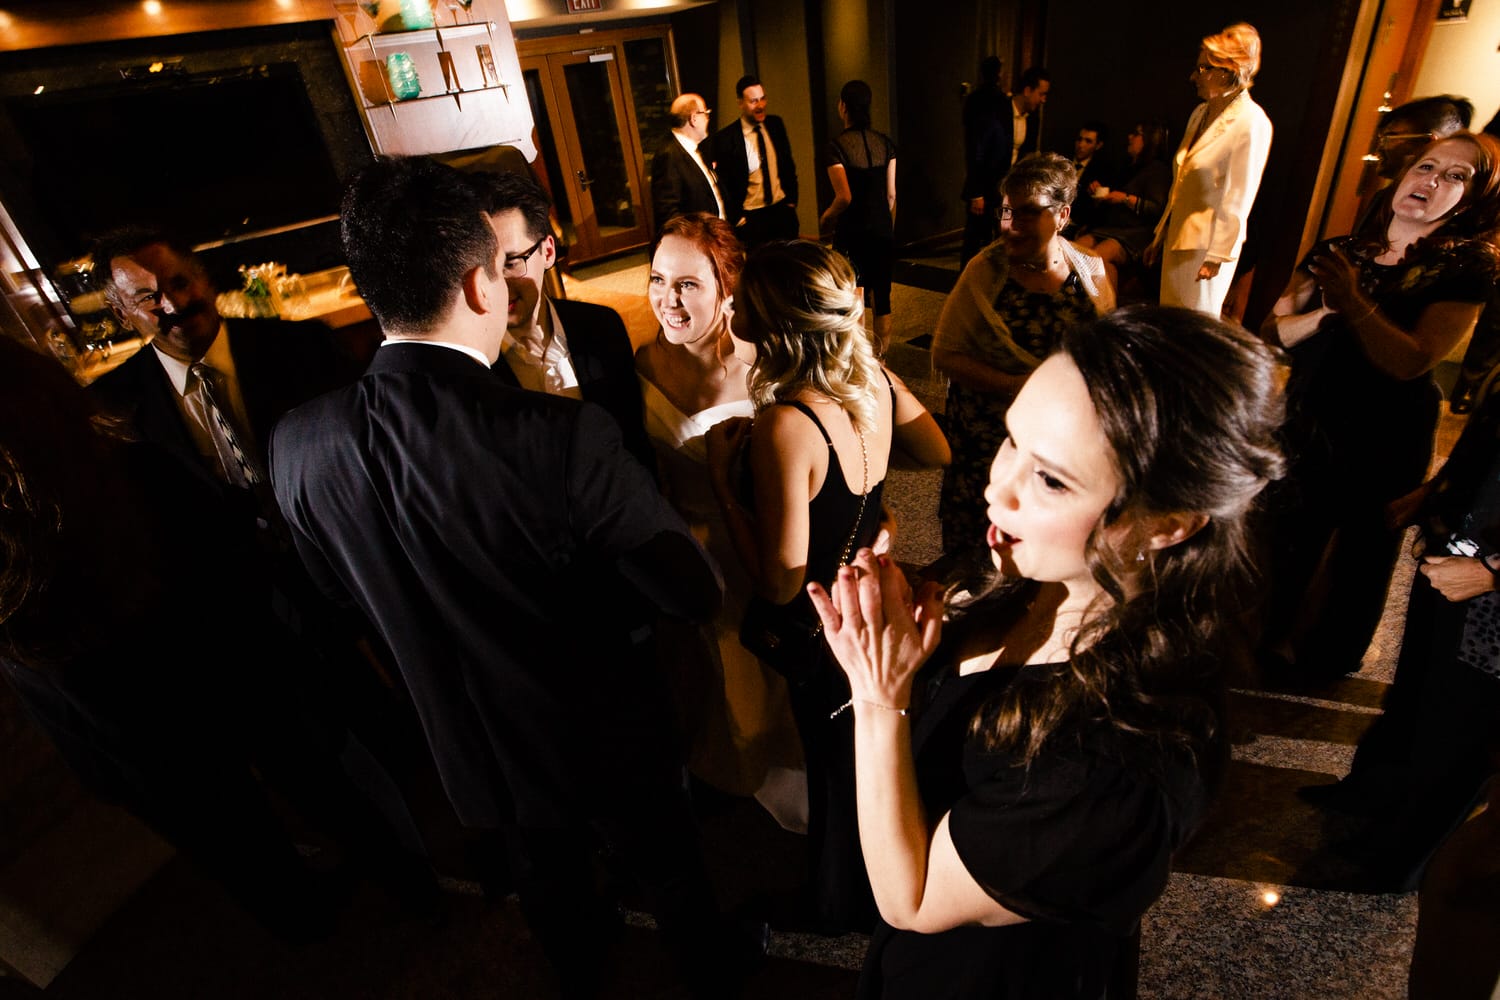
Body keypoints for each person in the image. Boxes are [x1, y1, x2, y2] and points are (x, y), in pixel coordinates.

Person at [270, 154, 754, 999]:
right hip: (606, 729)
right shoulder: (555, 437)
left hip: (470, 749)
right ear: (478, 282)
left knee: (554, 902)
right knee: (672, 881)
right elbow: (691, 591)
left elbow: (339, 594)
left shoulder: (299, 444)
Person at [807, 305, 1286, 999]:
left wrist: (880, 698)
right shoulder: (1029, 571)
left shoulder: (1124, 756)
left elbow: (909, 899)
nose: (997, 488)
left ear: (1167, 525)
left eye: (1053, 480)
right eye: (1010, 441)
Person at [0, 334, 433, 944]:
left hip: (139, 736)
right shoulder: (132, 473)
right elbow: (234, 564)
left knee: (236, 842)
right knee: (328, 789)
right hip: (237, 676)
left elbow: (39, 677)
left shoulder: (15, 557)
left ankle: (303, 918)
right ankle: (408, 884)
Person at [705, 239, 950, 933]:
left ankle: (839, 902)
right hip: (871, 603)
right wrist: (882, 513)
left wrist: (724, 489)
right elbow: (936, 452)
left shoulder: (787, 424)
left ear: (771, 321)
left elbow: (781, 582)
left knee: (835, 766)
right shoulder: (871, 380)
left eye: (740, 302)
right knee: (866, 759)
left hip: (822, 631)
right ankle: (873, 883)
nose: (730, 312)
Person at [1259, 132, 1500, 682]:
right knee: (1286, 538)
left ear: (1475, 198)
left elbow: (1413, 360)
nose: (1432, 180)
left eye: (1456, 177)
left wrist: (1350, 302)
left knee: (1354, 560)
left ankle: (1317, 663)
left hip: (1385, 431)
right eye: (1426, 166)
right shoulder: (1337, 250)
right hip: (1310, 411)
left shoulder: (1468, 267)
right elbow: (1270, 333)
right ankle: (1261, 642)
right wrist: (1321, 317)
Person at [634, 212, 806, 832]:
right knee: (710, 678)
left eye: (687, 284)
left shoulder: (769, 365)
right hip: (686, 550)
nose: (666, 300)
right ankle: (730, 777)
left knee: (769, 677)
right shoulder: (641, 367)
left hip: (759, 545)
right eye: (657, 279)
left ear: (727, 288)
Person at [1298, 387, 1500, 892]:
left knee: (1462, 733)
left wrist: (1492, 573)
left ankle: (1403, 862)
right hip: (1460, 548)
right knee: (1417, 699)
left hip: (1489, 589)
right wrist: (1436, 492)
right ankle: (1373, 804)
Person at [932, 153, 1115, 566]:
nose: (1011, 226)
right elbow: (945, 354)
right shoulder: (985, 271)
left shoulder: (1089, 271)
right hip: (989, 438)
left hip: (1055, 440)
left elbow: (1104, 354)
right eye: (1007, 211)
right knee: (978, 548)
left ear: (1063, 214)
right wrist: (1019, 387)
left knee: (1041, 548)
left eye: (1028, 213)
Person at [471, 168, 654, 472]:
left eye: (511, 263)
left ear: (548, 251)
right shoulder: (470, 365)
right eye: (484, 268)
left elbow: (633, 439)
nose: (497, 286)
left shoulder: (602, 327)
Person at [1145, 22, 1272, 318]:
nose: (1194, 76)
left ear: (1228, 71)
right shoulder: (1200, 113)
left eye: (1203, 69)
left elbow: (1239, 197)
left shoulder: (1251, 122)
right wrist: (1160, 233)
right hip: (1179, 238)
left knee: (1195, 330)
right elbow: (1183, 182)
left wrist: (1217, 257)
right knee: (1171, 323)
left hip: (1208, 250)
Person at [819, 79, 898, 357]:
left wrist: (826, 218)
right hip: (881, 230)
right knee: (882, 300)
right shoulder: (886, 144)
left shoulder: (836, 147)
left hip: (852, 231)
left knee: (854, 295)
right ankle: (881, 362)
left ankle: (859, 360)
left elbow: (845, 197)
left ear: (843, 107)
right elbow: (891, 196)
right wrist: (885, 226)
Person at [1074, 121, 1173, 295]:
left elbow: (1157, 209)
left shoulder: (1158, 170)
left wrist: (1125, 198)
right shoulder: (1128, 167)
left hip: (1136, 233)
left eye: (1136, 134)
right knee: (1075, 250)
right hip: (1112, 228)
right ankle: (1099, 308)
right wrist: (1101, 195)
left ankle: (1104, 313)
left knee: (1097, 256)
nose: (1130, 137)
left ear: (1150, 140)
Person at [711, 74, 800, 249]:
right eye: (753, 101)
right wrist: (737, 217)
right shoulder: (726, 138)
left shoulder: (776, 125)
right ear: (740, 103)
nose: (760, 106)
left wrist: (791, 201)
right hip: (752, 218)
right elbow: (724, 183)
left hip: (782, 210)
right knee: (760, 270)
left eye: (762, 99)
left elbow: (788, 165)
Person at [650, 92, 725, 229]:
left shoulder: (695, 148)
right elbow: (669, 215)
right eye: (706, 113)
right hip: (700, 243)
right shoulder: (668, 155)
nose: (708, 119)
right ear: (694, 118)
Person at [958, 55, 1007, 267]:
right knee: (981, 235)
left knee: (976, 234)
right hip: (990, 178)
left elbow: (972, 145)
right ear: (999, 73)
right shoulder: (999, 100)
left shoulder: (975, 99)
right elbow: (978, 145)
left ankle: (970, 279)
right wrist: (976, 191)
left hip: (984, 177)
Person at [1063, 121, 1114, 233]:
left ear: (1098, 145)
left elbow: (1099, 211)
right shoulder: (1062, 161)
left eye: (1088, 141)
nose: (1081, 145)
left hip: (1077, 226)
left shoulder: (1102, 172)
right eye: (1079, 139)